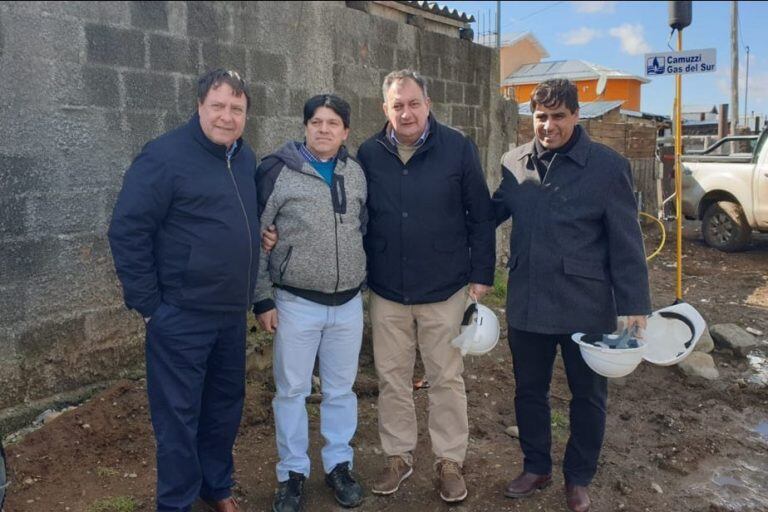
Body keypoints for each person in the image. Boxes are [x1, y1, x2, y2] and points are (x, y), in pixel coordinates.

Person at [492, 78, 651, 512]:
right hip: (527, 299)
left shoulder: (606, 166)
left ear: (577, 116)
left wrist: (635, 306)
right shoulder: (513, 162)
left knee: (588, 396)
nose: (548, 126)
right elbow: (490, 213)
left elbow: (626, 241)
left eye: (558, 117)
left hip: (587, 304)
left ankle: (578, 478)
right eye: (540, 117)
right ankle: (536, 466)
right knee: (528, 391)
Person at [108, 69, 258, 512]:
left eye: (236, 109)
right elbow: (127, 230)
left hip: (231, 315)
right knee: (177, 419)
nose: (227, 117)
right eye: (218, 106)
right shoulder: (165, 156)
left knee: (223, 410)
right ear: (199, 107)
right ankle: (176, 503)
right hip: (181, 317)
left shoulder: (244, 159)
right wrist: (151, 307)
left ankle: (216, 487)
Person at [358, 69, 496, 503]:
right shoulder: (368, 152)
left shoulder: (456, 148)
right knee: (392, 378)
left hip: (444, 289)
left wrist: (482, 274)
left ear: (428, 103)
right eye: (397, 105)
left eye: (413, 103)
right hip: (387, 291)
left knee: (445, 378)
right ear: (385, 109)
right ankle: (399, 456)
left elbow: (481, 214)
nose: (406, 112)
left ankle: (448, 461)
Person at [253, 95, 367, 512]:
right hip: (296, 301)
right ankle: (292, 473)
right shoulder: (278, 171)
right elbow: (258, 236)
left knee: (340, 391)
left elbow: (362, 227)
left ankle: (339, 465)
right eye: (316, 122)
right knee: (292, 391)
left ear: (345, 131)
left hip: (348, 303)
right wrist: (262, 297)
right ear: (305, 127)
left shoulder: (355, 173)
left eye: (333, 123)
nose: (324, 129)